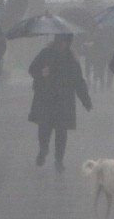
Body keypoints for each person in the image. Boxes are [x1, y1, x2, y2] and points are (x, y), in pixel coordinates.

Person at [28, 33, 92, 172]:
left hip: (64, 101)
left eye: (65, 42)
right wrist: (41, 72)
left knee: (61, 132)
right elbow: (32, 68)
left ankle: (59, 160)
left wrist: (85, 100)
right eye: (60, 41)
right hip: (45, 98)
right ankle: (43, 149)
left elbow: (78, 81)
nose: (62, 45)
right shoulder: (45, 54)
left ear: (68, 43)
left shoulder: (71, 59)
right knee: (44, 128)